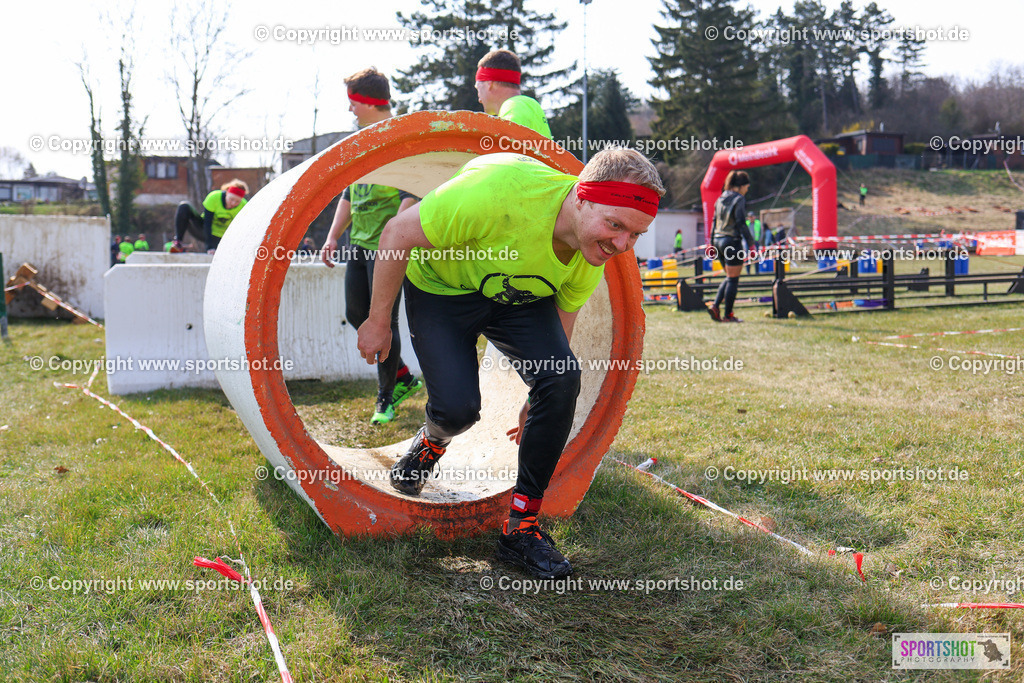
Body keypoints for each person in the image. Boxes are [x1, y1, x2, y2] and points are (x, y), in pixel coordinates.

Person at [356, 148, 664, 578]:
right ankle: (432, 440)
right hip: (443, 290)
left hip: (518, 299)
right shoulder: (496, 192)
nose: (621, 245)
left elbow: (562, 327)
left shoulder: (591, 250)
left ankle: (522, 526)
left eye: (635, 235)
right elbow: (395, 234)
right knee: (458, 411)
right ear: (580, 197)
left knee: (562, 376)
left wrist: (540, 393)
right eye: (615, 225)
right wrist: (376, 320)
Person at [321, 67, 423, 425]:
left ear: (366, 102)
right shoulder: (361, 141)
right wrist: (334, 235)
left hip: (387, 250)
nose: (349, 110)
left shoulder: (397, 139)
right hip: (358, 245)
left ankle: (385, 398)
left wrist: (396, 236)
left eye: (352, 102)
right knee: (356, 315)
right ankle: (402, 376)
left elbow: (411, 192)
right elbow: (349, 194)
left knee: (384, 322)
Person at [708, 170, 755, 323]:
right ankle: (728, 315)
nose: (747, 190)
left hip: (718, 241)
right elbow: (741, 222)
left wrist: (711, 243)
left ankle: (715, 306)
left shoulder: (720, 198)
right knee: (733, 280)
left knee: (729, 277)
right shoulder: (739, 199)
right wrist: (751, 243)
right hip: (732, 241)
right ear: (740, 186)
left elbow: (714, 222)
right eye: (746, 187)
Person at [475, 49, 552, 138]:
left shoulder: (512, 107)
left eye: (478, 89)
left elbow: (506, 149)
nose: (479, 100)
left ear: (489, 84)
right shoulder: (532, 105)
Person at [173, 179, 249, 253]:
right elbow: (207, 223)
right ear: (226, 193)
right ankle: (178, 242)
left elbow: (241, 229)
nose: (233, 203)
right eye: (231, 199)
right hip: (204, 231)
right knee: (184, 206)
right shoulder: (214, 197)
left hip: (223, 238)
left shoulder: (244, 206)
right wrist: (209, 247)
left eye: (237, 202)